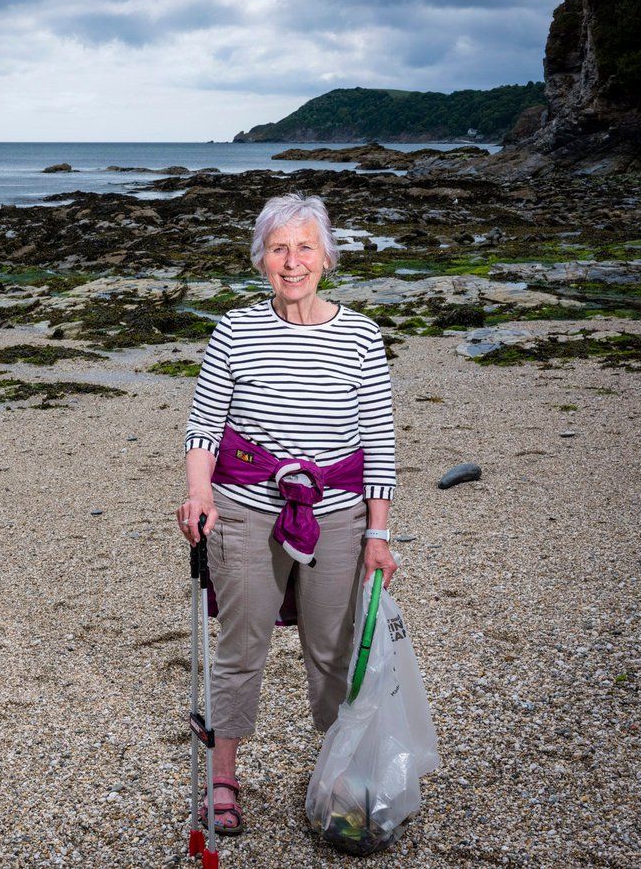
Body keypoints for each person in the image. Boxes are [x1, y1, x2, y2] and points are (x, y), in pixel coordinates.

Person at [175, 193, 398, 836]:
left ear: (327, 256)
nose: (292, 261)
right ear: (261, 260)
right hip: (246, 510)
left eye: (304, 246)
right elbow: (204, 428)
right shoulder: (234, 330)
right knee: (242, 645)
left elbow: (378, 444)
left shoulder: (360, 335)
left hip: (337, 514)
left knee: (332, 650)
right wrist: (201, 496)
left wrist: (378, 534)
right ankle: (222, 774)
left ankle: (341, 773)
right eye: (278, 248)